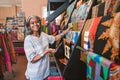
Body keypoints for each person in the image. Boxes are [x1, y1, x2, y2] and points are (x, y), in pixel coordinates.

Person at [24, 15, 72, 80]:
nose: (35, 24)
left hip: (45, 72)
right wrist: (47, 51)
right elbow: (32, 59)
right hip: (35, 74)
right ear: (29, 26)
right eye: (32, 23)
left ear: (40, 23)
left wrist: (66, 31)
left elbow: (55, 38)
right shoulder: (28, 39)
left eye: (37, 22)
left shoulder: (43, 35)